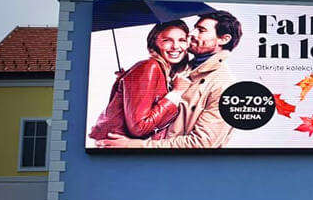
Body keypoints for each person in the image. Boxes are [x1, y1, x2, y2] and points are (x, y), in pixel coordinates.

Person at [98, 11, 242, 149]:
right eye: (194, 28)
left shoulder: (224, 86)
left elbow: (202, 143)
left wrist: (136, 145)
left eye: (201, 30)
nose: (191, 34)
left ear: (224, 39)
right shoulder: (181, 68)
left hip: (180, 166)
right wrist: (132, 82)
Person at [89, 19, 189, 142]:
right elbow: (139, 127)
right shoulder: (150, 67)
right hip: (119, 151)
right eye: (167, 40)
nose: (175, 46)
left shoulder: (165, 71)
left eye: (182, 40)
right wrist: (175, 93)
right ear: (154, 44)